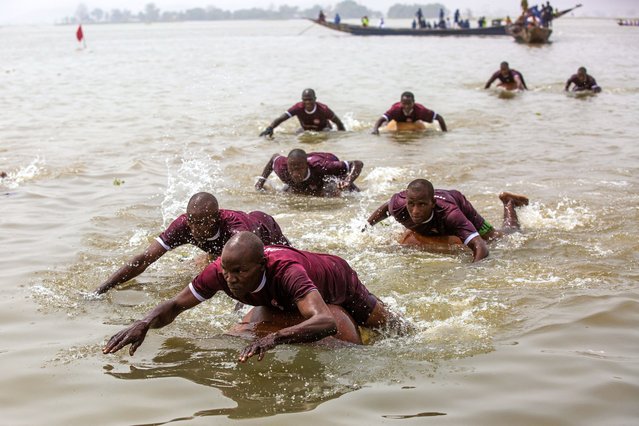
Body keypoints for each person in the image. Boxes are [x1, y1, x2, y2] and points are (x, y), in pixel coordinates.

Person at [102, 232, 406, 362]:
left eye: (239, 272)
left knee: (389, 329)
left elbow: (325, 321)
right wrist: (144, 323)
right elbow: (175, 305)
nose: (230, 280)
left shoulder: (287, 272)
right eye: (227, 271)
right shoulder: (219, 272)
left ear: (261, 266)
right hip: (284, 296)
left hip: (337, 280)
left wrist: (274, 338)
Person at [94, 192, 290, 294]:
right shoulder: (183, 225)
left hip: (266, 232)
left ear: (216, 219)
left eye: (203, 223)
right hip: (223, 248)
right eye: (192, 222)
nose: (196, 230)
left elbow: (253, 270)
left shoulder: (236, 229)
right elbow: (145, 259)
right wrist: (103, 288)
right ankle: (211, 256)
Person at [365, 179, 529, 262]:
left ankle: (509, 203)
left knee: (501, 237)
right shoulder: (398, 205)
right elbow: (385, 208)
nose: (415, 211)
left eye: (422, 205)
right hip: (436, 214)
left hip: (457, 202)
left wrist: (475, 272)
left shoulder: (451, 213)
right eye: (411, 204)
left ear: (433, 204)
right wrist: (366, 229)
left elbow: (481, 247)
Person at [255, 149, 363, 197]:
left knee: (333, 191)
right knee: (289, 193)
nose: (295, 173)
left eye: (299, 169)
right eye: (292, 169)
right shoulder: (281, 166)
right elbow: (274, 158)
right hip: (308, 167)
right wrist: (261, 181)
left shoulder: (321, 166)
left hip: (327, 162)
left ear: (306, 166)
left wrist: (348, 180)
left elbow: (357, 163)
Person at [259, 88, 345, 137]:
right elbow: (282, 118)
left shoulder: (323, 109)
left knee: (325, 134)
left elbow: (338, 122)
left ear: (315, 99)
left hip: (324, 130)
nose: (307, 102)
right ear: (302, 100)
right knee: (296, 135)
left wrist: (343, 135)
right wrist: (270, 128)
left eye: (310, 99)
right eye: (305, 100)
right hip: (306, 130)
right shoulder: (298, 108)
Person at [372, 91, 447, 134]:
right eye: (404, 104)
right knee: (386, 125)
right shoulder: (395, 109)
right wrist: (375, 130)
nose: (407, 106)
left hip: (415, 122)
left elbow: (439, 118)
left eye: (409, 104)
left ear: (414, 102)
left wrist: (444, 132)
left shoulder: (421, 110)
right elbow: (381, 119)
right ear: (400, 102)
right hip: (397, 122)